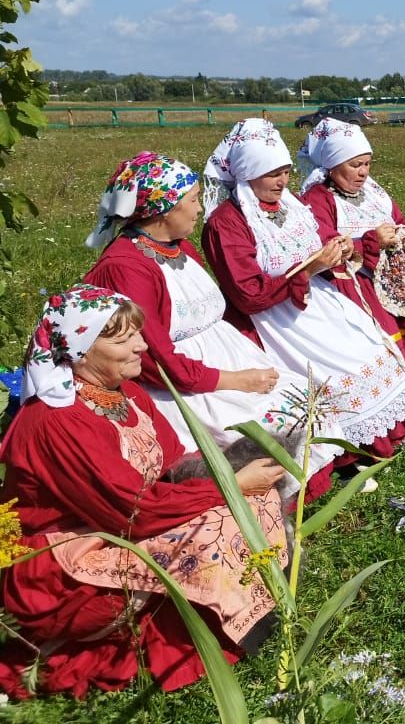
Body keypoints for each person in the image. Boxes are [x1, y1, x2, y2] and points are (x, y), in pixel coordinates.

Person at [0, 286, 287, 698]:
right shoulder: (55, 422)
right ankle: (200, 628)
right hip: (59, 560)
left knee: (251, 503)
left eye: (138, 332)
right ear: (80, 350)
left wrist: (229, 477)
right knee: (217, 525)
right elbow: (133, 512)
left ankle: (243, 617)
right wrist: (232, 486)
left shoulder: (124, 393)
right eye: (122, 339)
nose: (141, 345)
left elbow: (173, 462)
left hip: (122, 520)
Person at [83, 151, 339, 502]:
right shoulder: (127, 267)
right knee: (261, 428)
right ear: (165, 209)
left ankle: (299, 494)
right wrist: (237, 381)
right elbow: (155, 359)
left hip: (222, 360)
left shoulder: (178, 246)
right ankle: (264, 508)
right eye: (193, 200)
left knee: (306, 399)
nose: (200, 209)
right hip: (187, 384)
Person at [201, 119, 405, 462]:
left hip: (316, 296)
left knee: (370, 344)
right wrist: (309, 269)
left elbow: (322, 238)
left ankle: (399, 430)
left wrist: (342, 248)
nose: (282, 181)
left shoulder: (290, 204)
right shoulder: (226, 223)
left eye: (286, 172)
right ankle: (358, 452)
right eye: (271, 174)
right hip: (275, 318)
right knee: (341, 367)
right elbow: (248, 294)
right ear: (247, 174)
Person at [297, 117, 405, 413]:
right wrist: (370, 241)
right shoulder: (317, 199)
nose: (363, 172)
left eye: (367, 164)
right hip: (351, 282)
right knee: (385, 341)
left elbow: (396, 219)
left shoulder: (373, 191)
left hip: (394, 274)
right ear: (332, 166)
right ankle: (404, 409)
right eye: (355, 165)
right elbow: (326, 248)